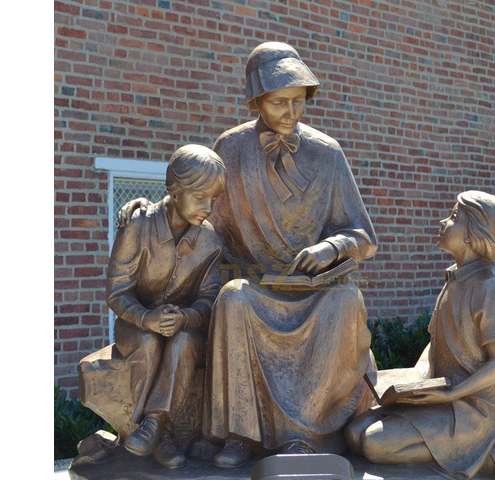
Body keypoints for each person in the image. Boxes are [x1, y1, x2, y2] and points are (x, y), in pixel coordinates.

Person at [119, 42, 378, 468]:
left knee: (346, 303)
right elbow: (199, 211)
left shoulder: (327, 153)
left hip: (314, 291)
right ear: (257, 99)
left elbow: (363, 235)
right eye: (279, 102)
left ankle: (303, 435)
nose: (291, 113)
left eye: (298, 102)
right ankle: (240, 434)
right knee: (233, 299)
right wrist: (150, 208)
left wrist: (331, 247)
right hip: (255, 286)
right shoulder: (232, 147)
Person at [344, 190, 495, 480]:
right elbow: (435, 343)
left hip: (473, 409)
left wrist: (452, 393)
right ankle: (466, 451)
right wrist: (414, 383)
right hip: (440, 396)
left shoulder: (491, 290)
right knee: (353, 433)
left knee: (372, 443)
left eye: (454, 217)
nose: (443, 221)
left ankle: (481, 454)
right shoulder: (453, 280)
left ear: (472, 235)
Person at [107, 144, 226, 468]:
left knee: (185, 343)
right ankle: (159, 435)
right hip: (136, 324)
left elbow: (209, 299)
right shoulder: (138, 226)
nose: (208, 207)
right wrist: (147, 319)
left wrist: (185, 318)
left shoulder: (210, 242)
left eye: (213, 199)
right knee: (147, 343)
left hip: (183, 328)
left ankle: (155, 425)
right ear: (175, 190)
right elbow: (117, 292)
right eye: (200, 197)